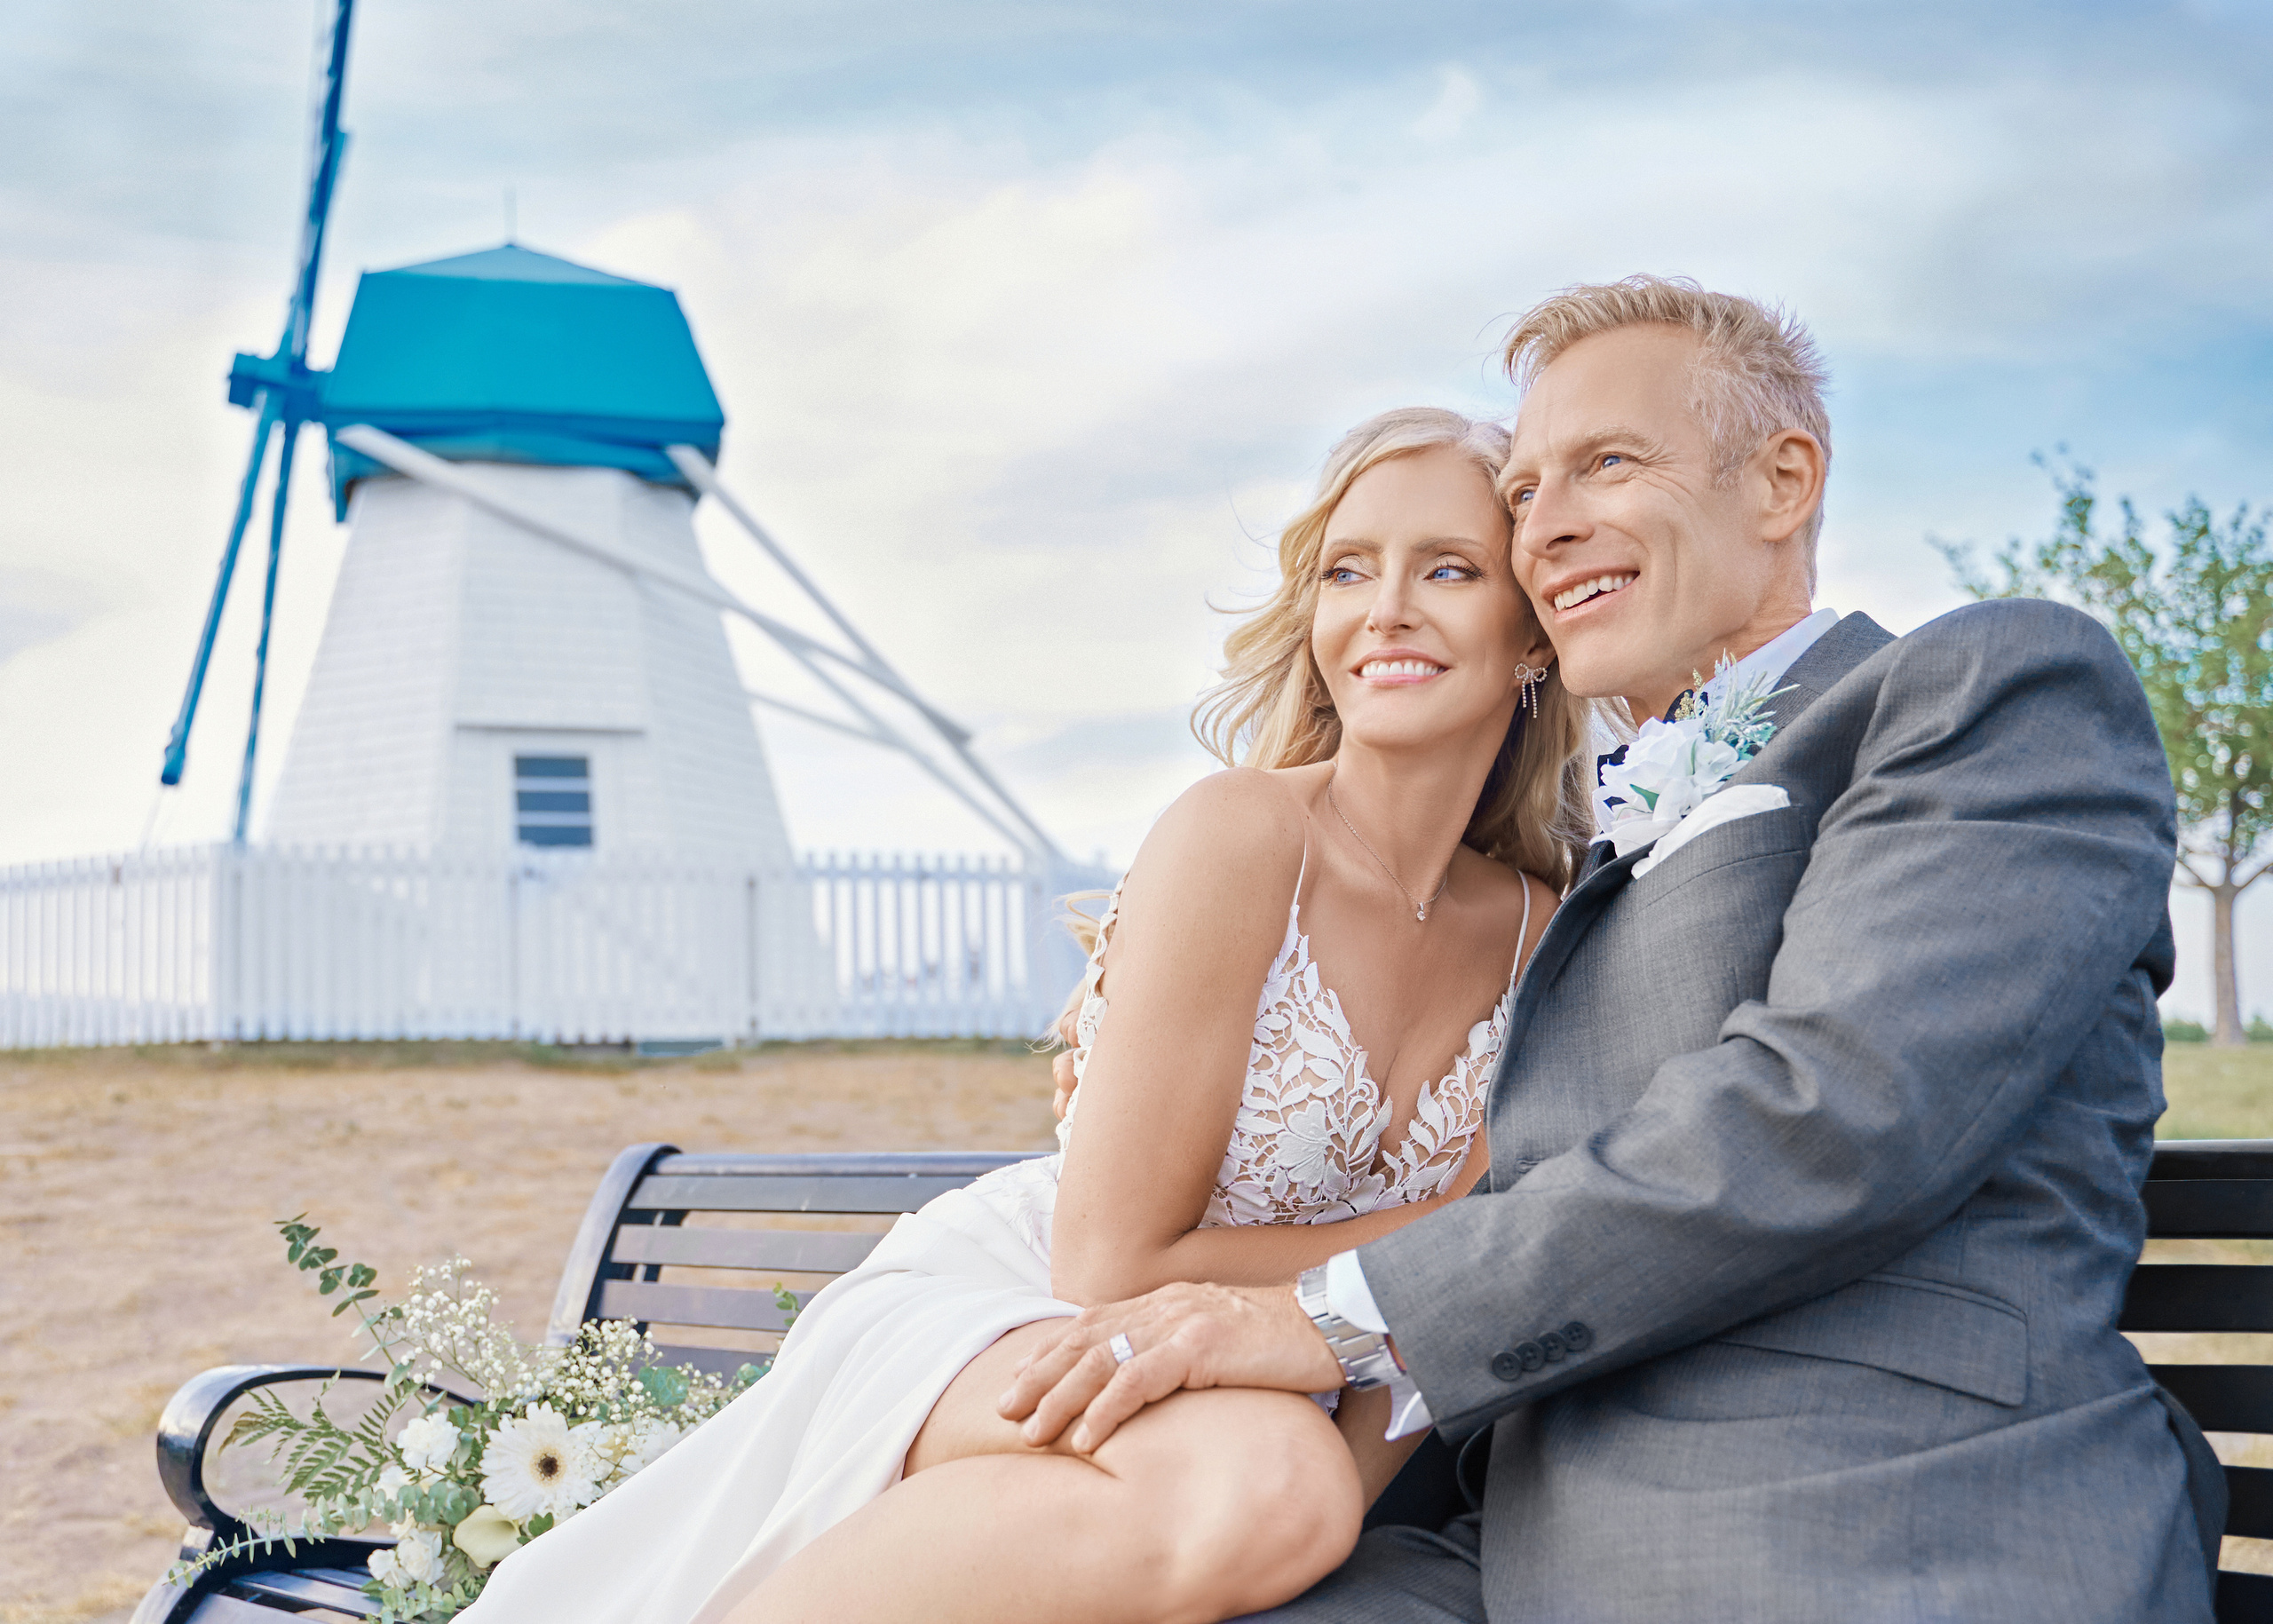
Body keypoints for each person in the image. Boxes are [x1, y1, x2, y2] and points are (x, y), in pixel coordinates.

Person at [1002, 277, 2225, 1623]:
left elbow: (1834, 1111)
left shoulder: (1985, 692)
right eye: (1524, 492)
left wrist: (1343, 1314)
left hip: (1864, 1511)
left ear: (1783, 478)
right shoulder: (1559, 869)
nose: (1548, 526)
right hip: (1491, 1529)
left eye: (1607, 463)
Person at [458, 406, 1592, 1624]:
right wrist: (1440, 1244)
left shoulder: (1549, 928)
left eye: (1450, 569)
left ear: (1531, 632)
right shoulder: (1243, 835)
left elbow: (1412, 1341)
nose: (1386, 609)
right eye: (1348, 569)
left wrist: (1374, 1381)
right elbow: (1117, 1259)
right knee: (1263, 1478)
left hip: (1274, 1395)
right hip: (1020, 1301)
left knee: (1290, 1493)